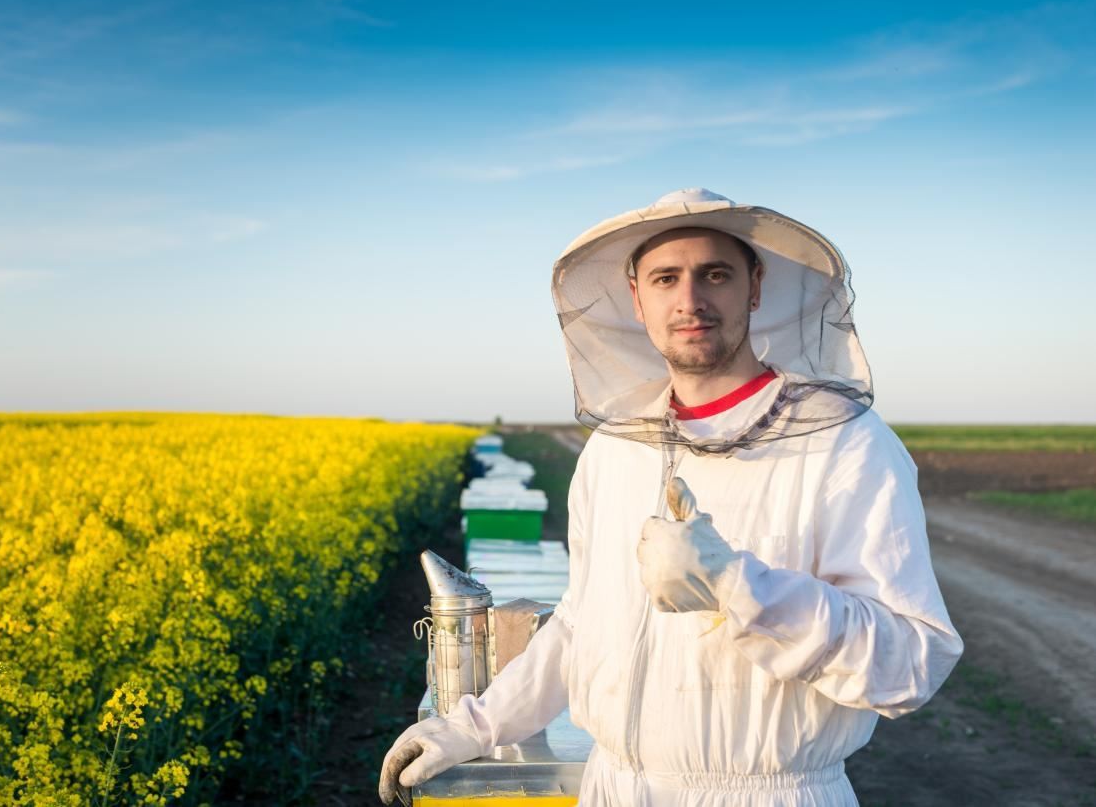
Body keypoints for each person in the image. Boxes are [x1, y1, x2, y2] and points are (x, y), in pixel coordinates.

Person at [379, 188, 963, 806]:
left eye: (715, 275)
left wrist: (739, 586)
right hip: (614, 789)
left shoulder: (844, 444)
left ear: (755, 287)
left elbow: (911, 663)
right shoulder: (613, 448)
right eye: (666, 278)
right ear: (637, 298)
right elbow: (582, 621)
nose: (690, 301)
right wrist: (475, 725)